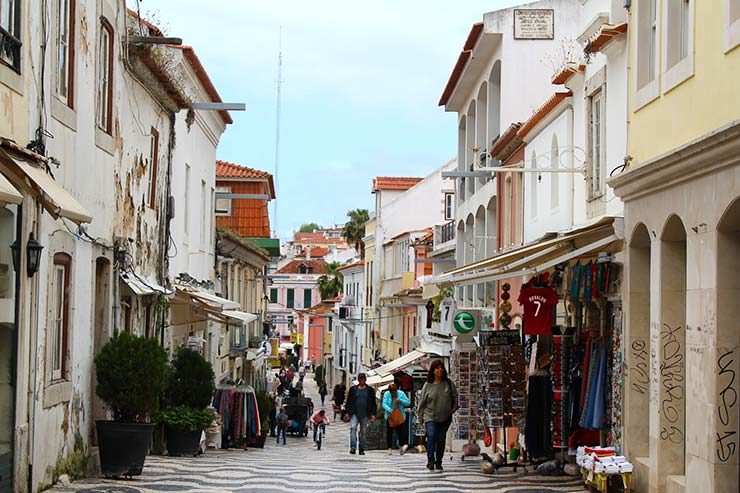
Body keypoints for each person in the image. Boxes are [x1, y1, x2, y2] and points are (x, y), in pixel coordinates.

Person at [417, 360, 459, 471]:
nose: (440, 370)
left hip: (445, 417)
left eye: (441, 368)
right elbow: (422, 402)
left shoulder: (449, 383)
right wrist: (420, 416)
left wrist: (454, 408)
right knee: (431, 436)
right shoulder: (428, 385)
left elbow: (455, 396)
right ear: (433, 370)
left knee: (440, 439)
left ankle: (438, 461)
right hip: (430, 415)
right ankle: (430, 461)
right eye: (437, 368)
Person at [345, 373, 377, 455]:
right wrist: (348, 412)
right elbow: (349, 401)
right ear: (358, 380)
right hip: (354, 413)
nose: (362, 380)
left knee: (364, 431)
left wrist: (373, 414)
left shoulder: (370, 390)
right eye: (360, 379)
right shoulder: (353, 389)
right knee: (352, 428)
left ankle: (361, 448)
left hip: (365, 414)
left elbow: (373, 403)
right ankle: (353, 447)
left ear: (365, 380)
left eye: (363, 379)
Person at [382, 382, 410, 456]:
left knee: (400, 432)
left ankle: (401, 447)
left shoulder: (401, 394)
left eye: (394, 391)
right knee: (389, 432)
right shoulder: (386, 394)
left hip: (399, 415)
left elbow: (408, 402)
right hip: (390, 415)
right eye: (392, 391)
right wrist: (389, 410)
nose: (393, 393)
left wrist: (401, 400)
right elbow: (384, 404)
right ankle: (389, 448)